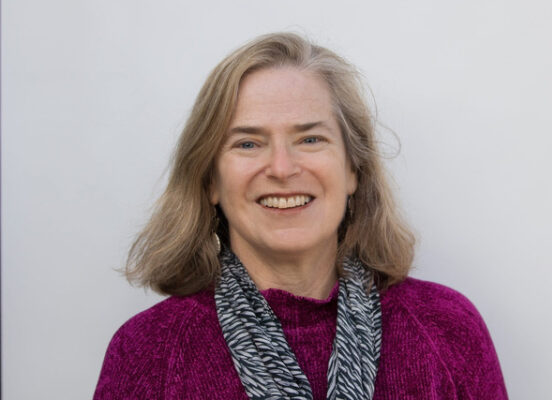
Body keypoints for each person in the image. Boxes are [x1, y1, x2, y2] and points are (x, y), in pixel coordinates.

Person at [94, 32, 508, 399]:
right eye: (248, 144)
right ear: (211, 181)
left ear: (352, 169)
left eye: (310, 138)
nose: (281, 168)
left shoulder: (446, 329)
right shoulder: (149, 352)